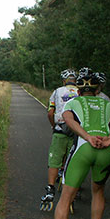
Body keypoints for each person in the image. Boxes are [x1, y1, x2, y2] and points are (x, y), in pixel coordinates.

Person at [38, 69, 110, 219]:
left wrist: (87, 137)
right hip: (107, 151)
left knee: (66, 196)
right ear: (97, 90)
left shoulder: (73, 102)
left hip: (84, 149)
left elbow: (67, 119)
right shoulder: (107, 103)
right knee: (98, 191)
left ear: (79, 89)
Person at [40, 69, 80, 211]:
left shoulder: (57, 92)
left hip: (60, 128)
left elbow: (50, 112)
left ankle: (50, 190)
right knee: (72, 162)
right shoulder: (80, 91)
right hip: (76, 131)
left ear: (64, 80)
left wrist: (53, 126)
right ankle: (71, 192)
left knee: (54, 160)